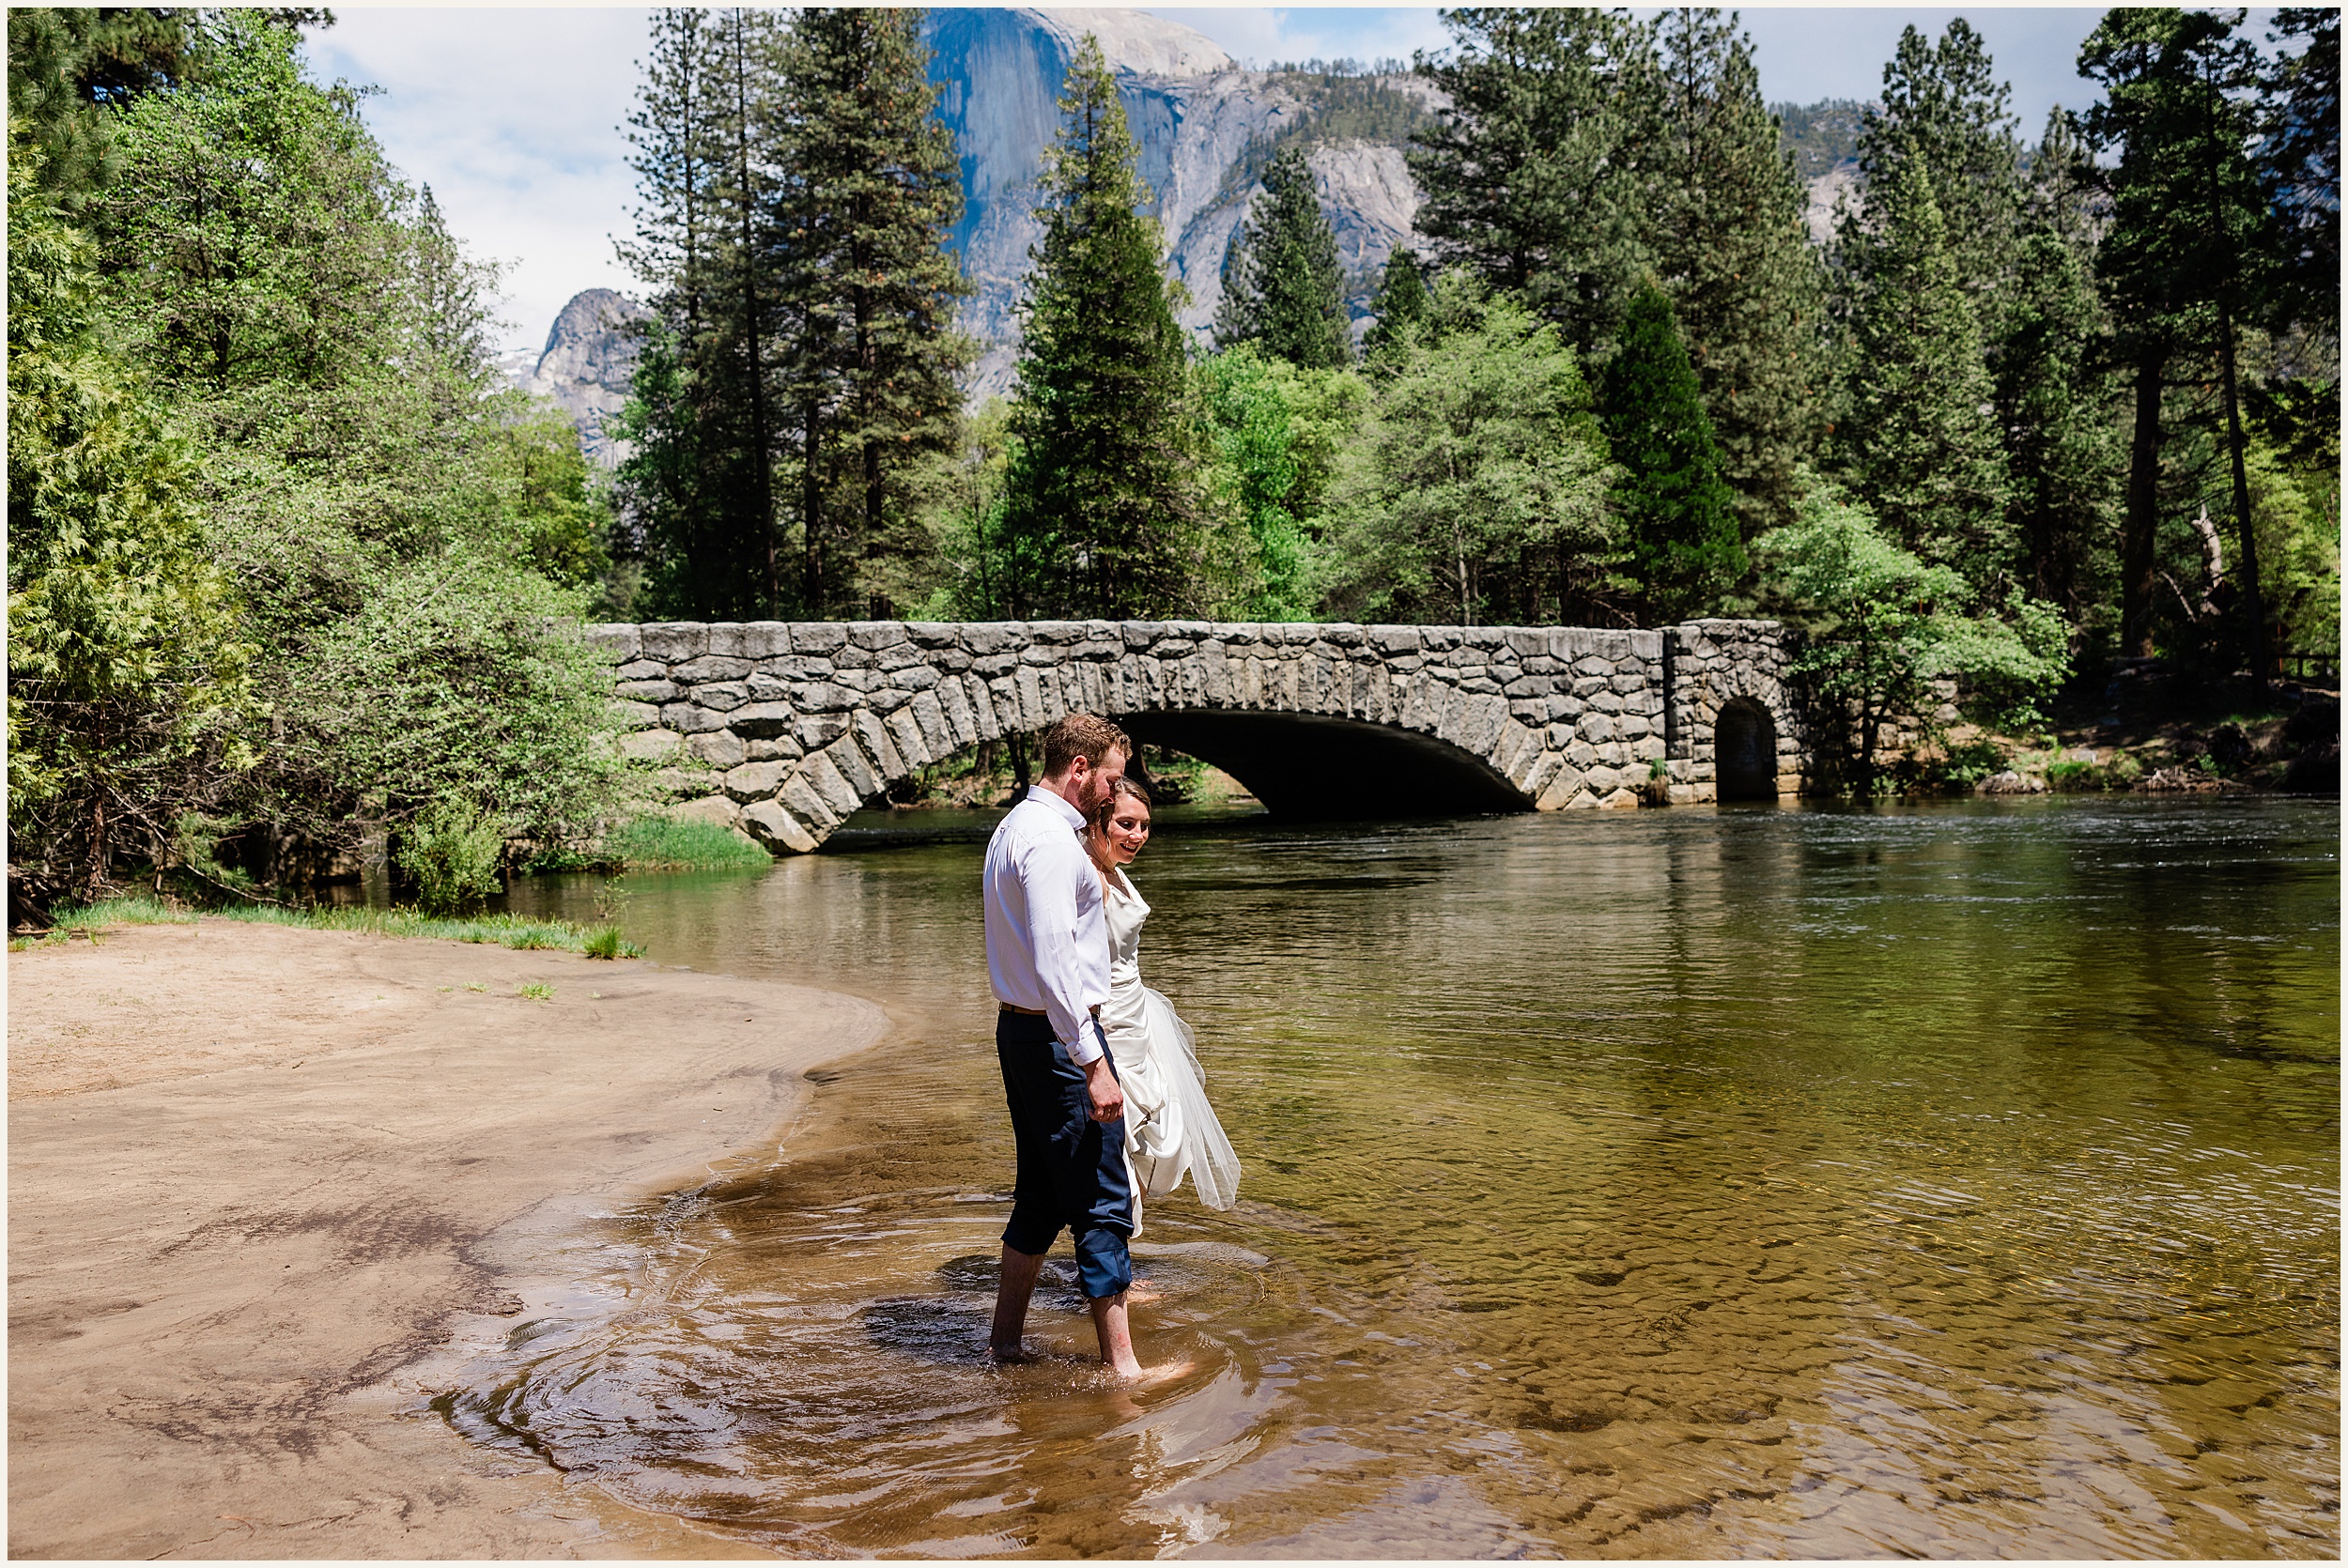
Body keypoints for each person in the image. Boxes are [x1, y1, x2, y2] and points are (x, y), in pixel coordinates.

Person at [981, 713, 1167, 1381]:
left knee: (1039, 1194)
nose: (1116, 794)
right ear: (1081, 769)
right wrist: (1093, 1063)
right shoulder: (1055, 843)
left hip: (1023, 1030)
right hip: (1062, 1038)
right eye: (1112, 778)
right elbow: (1056, 960)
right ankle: (1123, 1368)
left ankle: (1003, 1344)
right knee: (1101, 1193)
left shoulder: (1014, 828)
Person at [1085, 777, 1242, 1234]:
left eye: (1145, 825)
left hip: (1137, 1014)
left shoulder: (1113, 867)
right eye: (1126, 823)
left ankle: (1116, 1262)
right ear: (1100, 819)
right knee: (1117, 1142)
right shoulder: (1089, 876)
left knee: (1149, 1140)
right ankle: (1111, 1270)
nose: (1137, 836)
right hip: (1109, 1021)